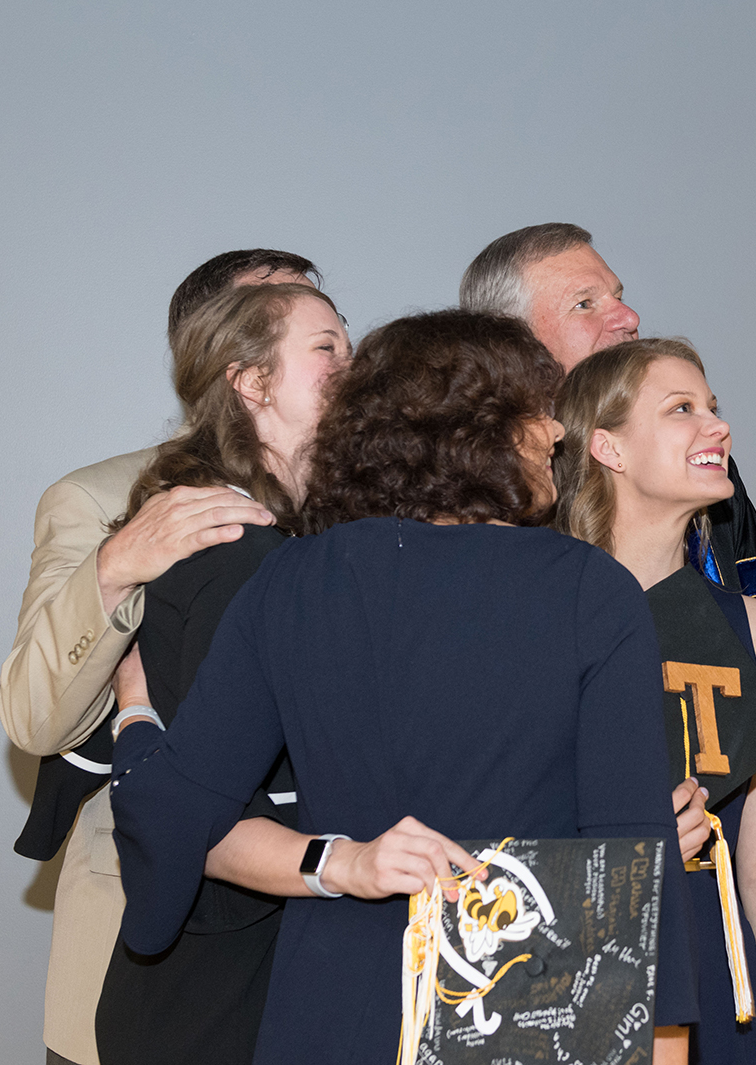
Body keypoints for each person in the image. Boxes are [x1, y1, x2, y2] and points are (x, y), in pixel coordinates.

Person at [106, 310, 699, 1065]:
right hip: (520, 1009)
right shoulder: (590, 589)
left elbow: (182, 816)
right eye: (536, 410)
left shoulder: (293, 581)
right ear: (476, 427)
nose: (555, 432)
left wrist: (136, 717)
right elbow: (632, 872)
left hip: (331, 1010)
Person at [0, 248, 320, 1065]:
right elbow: (33, 717)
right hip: (154, 957)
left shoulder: (363, 502)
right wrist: (114, 570)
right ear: (225, 355)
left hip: (317, 949)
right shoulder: (100, 497)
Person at [90, 282, 349, 1064]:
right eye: (327, 347)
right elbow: (204, 812)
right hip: (213, 994)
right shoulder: (238, 549)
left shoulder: (286, 541)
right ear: (252, 382)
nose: (353, 364)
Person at [554, 338, 756, 1065]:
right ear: (607, 446)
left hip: (725, 982)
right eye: (681, 409)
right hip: (577, 981)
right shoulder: (538, 621)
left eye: (713, 407)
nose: (717, 426)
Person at [460, 223, 756, 603]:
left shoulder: (699, 465)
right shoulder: (481, 494)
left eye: (619, 296)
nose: (629, 317)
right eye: (584, 304)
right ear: (512, 345)